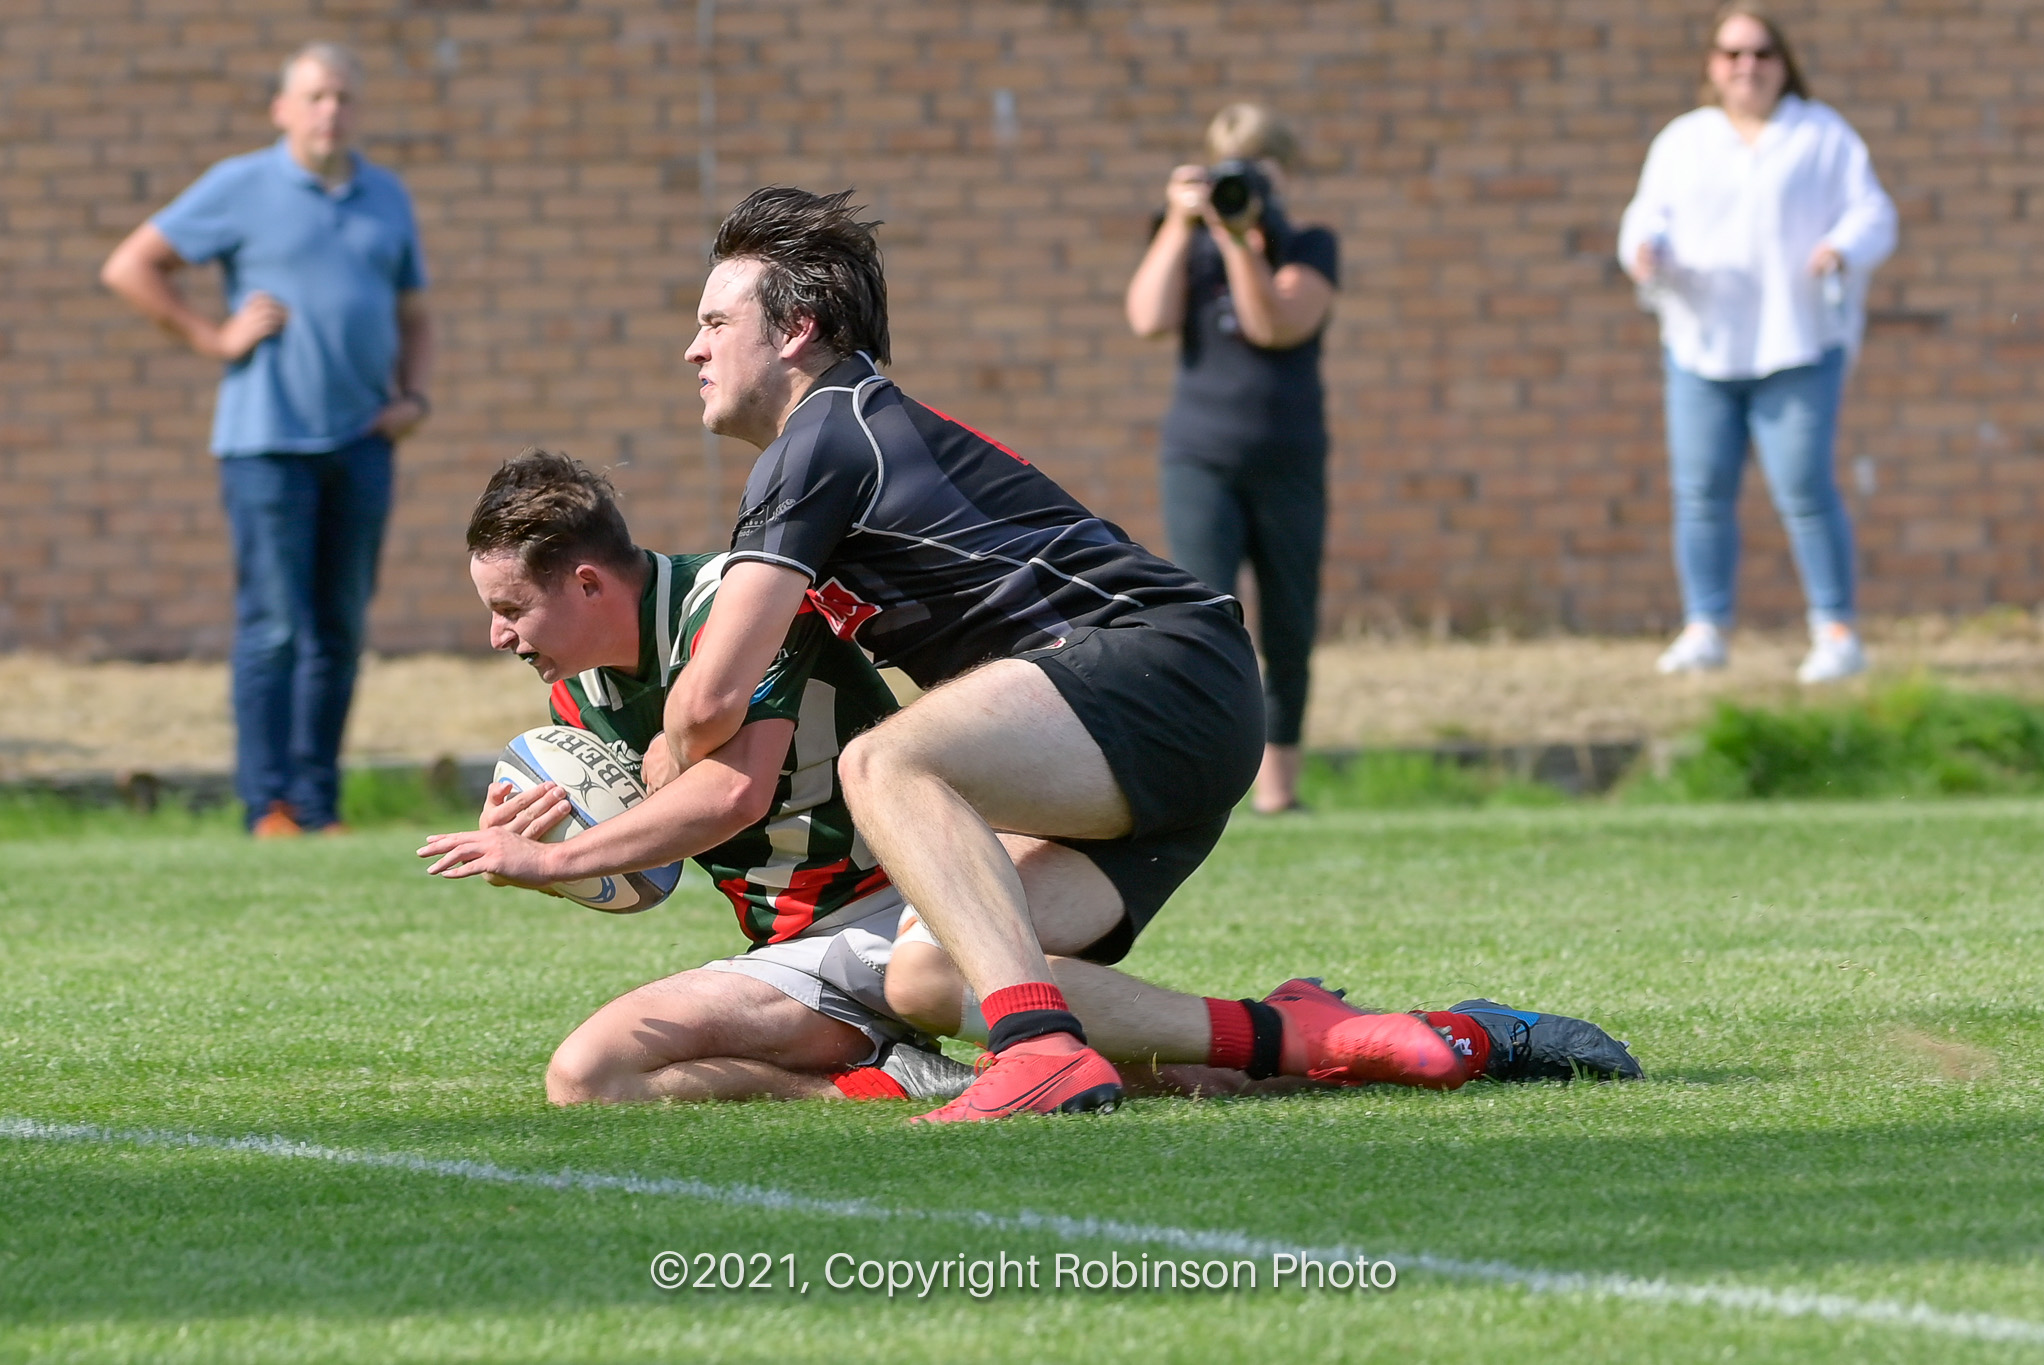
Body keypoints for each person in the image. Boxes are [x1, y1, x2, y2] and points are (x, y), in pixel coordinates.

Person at [659, 185, 1456, 1123]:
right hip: (1166, 714)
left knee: (889, 759)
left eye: (716, 320)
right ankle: (1294, 1036)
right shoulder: (844, 433)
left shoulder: (818, 436)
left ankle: (1040, 1055)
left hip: (1156, 668)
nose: (694, 348)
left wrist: (645, 779)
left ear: (796, 328)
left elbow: (709, 703)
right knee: (930, 974)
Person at [419, 451, 1560, 1105]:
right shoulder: (574, 689)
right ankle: (886, 1080)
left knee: (932, 979)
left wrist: (558, 852)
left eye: (510, 609)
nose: (499, 638)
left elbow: (730, 796)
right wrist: (558, 856)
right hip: (797, 953)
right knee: (590, 1077)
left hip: (911, 890)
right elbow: (659, 867)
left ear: (584, 581)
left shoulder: (728, 600)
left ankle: (1260, 1041)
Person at [100, 42, 433, 835]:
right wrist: (212, 338)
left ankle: (318, 804)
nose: (331, 111)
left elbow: (415, 316)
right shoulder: (239, 186)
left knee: (339, 627)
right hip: (265, 445)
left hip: (361, 443)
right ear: (283, 109)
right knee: (275, 625)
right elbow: (131, 266)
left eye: (344, 97)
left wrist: (414, 397)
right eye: (315, 96)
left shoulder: (385, 196)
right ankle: (267, 804)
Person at [1620, 4, 1896, 684]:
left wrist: (1841, 247)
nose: (1748, 67)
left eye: (1762, 54)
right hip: (1703, 345)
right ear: (1712, 67)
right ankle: (1705, 625)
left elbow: (1874, 214)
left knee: (1803, 487)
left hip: (1798, 343)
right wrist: (1645, 252)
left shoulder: (1820, 134)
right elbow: (1642, 220)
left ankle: (1835, 629)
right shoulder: (1685, 141)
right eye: (1733, 54)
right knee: (1701, 491)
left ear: (1784, 63)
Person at [1123, 104, 1339, 813]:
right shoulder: (1186, 240)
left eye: (1259, 171)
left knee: (1288, 622)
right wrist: (1183, 223)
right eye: (1231, 171)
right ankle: (1203, 784)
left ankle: (1279, 792)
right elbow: (1148, 318)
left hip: (1288, 457)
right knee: (1206, 620)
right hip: (1200, 455)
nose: (1244, 185)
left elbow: (1271, 325)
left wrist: (1242, 239)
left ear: (1285, 175)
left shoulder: (1309, 244)